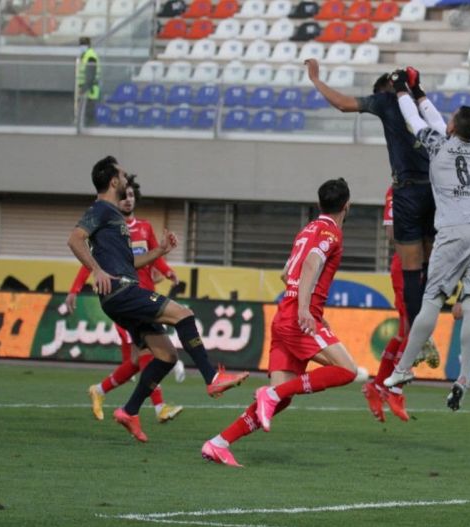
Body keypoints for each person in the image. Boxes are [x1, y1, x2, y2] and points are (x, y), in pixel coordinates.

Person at [67, 156, 249, 443]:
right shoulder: (101, 208)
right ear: (113, 181)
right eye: (122, 175)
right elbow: (75, 239)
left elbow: (129, 263)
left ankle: (129, 411)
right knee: (184, 314)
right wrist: (96, 270)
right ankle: (212, 378)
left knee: (166, 356)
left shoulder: (114, 215)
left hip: (122, 291)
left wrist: (160, 251)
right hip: (121, 291)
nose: (126, 179)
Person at [201, 178, 359, 467]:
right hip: (298, 318)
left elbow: (287, 274)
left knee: (282, 401)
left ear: (319, 203)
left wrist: (303, 304)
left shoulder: (306, 230)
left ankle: (219, 443)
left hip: (284, 315)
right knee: (348, 371)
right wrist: (305, 309)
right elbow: (311, 263)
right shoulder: (331, 233)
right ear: (347, 205)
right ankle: (272, 392)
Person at [382, 70, 470, 412]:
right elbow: (433, 117)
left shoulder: (438, 145)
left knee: (432, 298)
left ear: (453, 126)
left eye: (450, 119)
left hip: (455, 229)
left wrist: (401, 89)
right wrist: (418, 90)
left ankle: (403, 368)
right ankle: (464, 378)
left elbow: (415, 119)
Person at [305, 59, 434, 333]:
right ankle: (431, 323)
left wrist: (316, 79)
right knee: (431, 264)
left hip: (408, 190)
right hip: (436, 189)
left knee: (411, 268)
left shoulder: (386, 100)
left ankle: (420, 335)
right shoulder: (422, 105)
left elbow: (343, 104)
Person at [66, 174, 185, 424]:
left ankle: (100, 390)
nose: (128, 200)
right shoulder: (108, 226)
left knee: (136, 360)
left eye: (132, 196)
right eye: (125, 195)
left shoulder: (144, 227)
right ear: (116, 197)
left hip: (144, 295)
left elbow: (156, 255)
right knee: (147, 354)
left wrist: (167, 272)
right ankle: (159, 407)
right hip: (123, 298)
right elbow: (90, 262)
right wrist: (75, 289)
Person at [362, 186, 440, 424]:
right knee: (414, 326)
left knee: (405, 330)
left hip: (428, 266)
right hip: (408, 265)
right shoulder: (399, 189)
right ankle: (394, 389)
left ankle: (378, 386)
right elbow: (391, 232)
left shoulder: (436, 186)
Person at [76, 36, 100, 126]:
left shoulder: (90, 56)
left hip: (90, 90)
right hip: (86, 88)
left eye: (84, 44)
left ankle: (89, 127)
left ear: (88, 45)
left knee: (88, 112)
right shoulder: (85, 55)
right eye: (81, 44)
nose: (82, 46)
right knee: (85, 112)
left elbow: (90, 74)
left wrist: (84, 89)